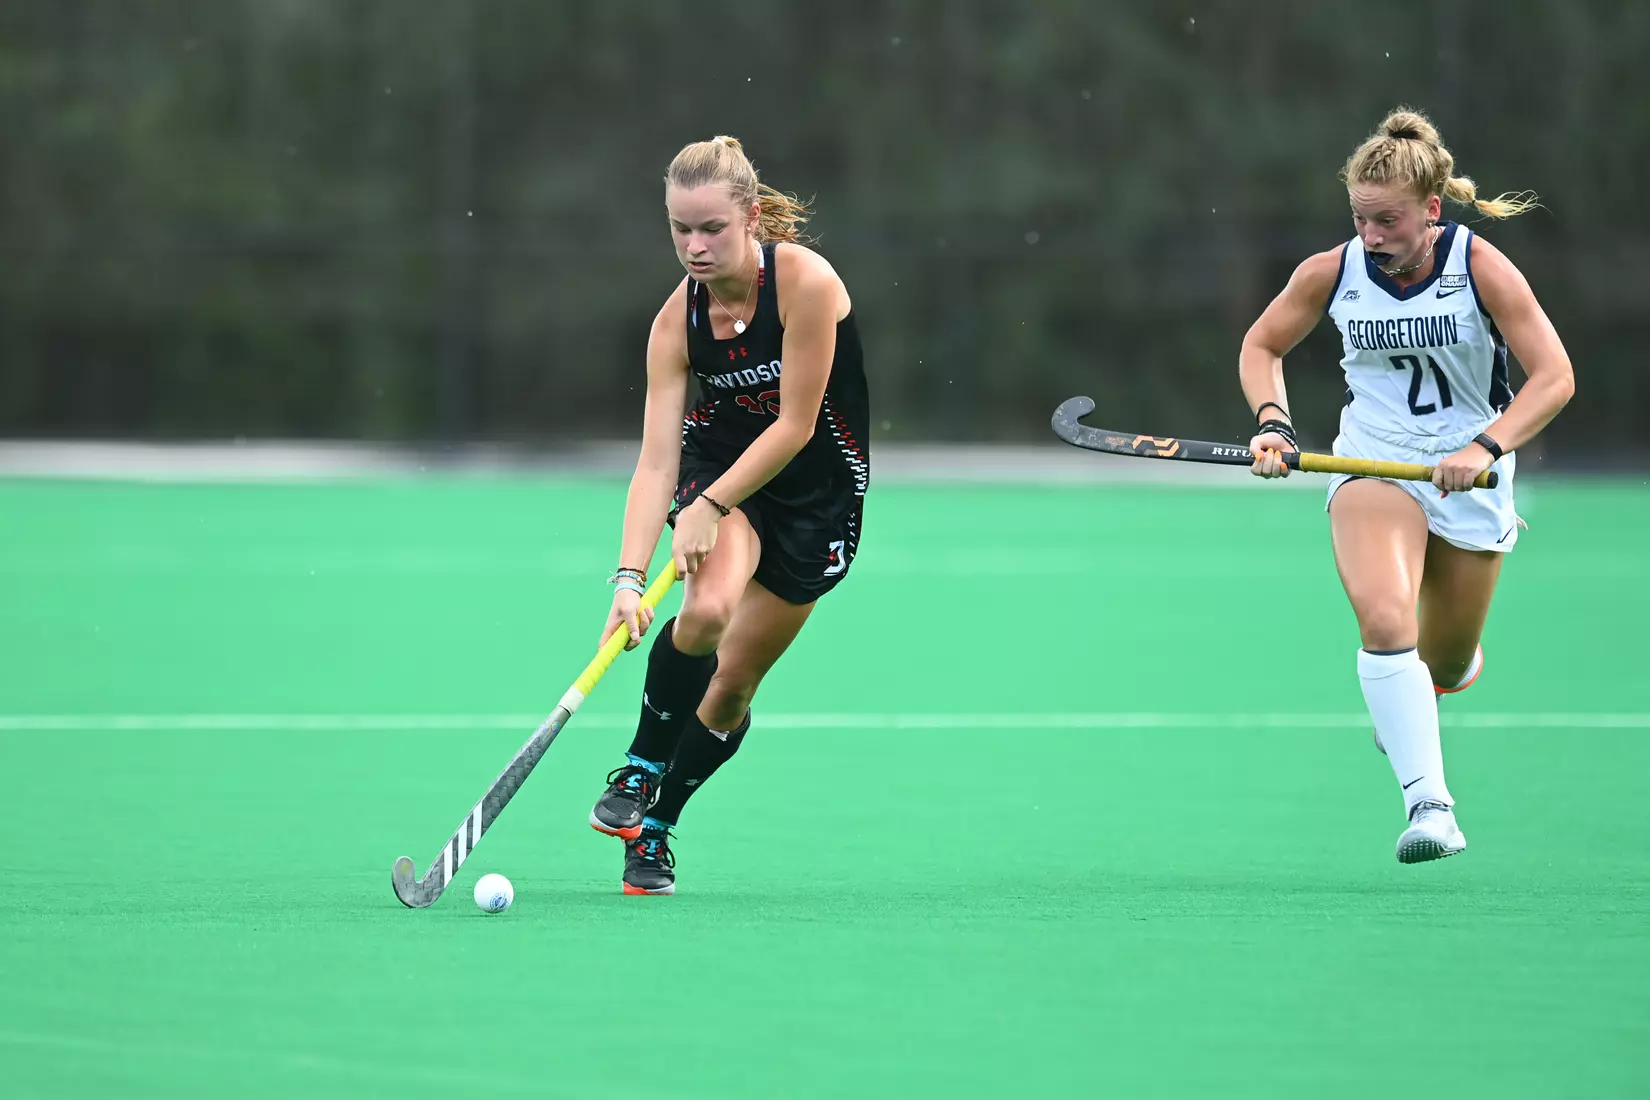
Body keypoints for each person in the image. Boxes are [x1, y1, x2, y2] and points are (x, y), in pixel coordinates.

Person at [1238, 107, 1574, 863]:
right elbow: (1264, 344)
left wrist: (1483, 442)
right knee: (1387, 619)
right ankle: (1431, 807)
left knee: (1444, 663)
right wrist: (1275, 424)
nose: (1371, 237)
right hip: (1373, 457)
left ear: (1430, 210)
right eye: (1360, 219)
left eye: (1387, 221)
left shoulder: (1479, 266)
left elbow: (1555, 377)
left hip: (1470, 473)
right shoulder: (1332, 272)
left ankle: (1422, 687)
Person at [587, 136, 870, 894]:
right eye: (681, 228)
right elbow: (654, 463)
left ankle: (657, 826)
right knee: (705, 610)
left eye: (711, 227)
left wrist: (707, 508)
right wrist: (627, 574)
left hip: (817, 493)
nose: (694, 245)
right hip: (722, 473)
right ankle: (642, 767)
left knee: (734, 685)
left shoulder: (806, 284)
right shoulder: (673, 325)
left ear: (750, 218)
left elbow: (796, 424)